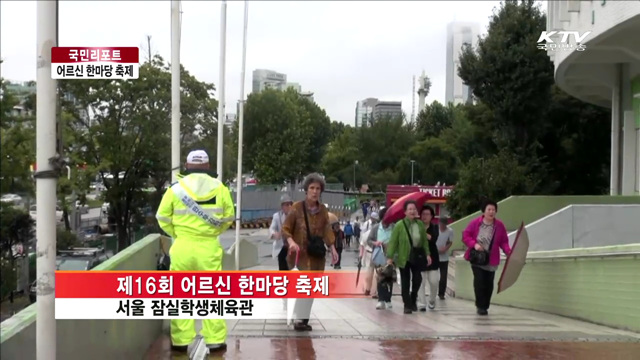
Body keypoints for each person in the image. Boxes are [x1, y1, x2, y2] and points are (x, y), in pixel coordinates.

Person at [156, 150, 235, 353]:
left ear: (187, 166)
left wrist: (178, 233)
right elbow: (228, 218)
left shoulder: (175, 189)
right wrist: (213, 232)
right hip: (208, 248)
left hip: (182, 247)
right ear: (208, 166)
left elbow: (162, 217)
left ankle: (181, 341)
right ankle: (215, 340)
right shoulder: (220, 188)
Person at [282, 172, 339, 331]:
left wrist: (333, 247)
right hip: (298, 256)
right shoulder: (296, 208)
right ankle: (299, 318)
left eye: (318, 188)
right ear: (306, 190)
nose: (315, 191)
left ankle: (303, 318)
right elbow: (286, 228)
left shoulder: (322, 210)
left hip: (315, 256)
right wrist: (291, 241)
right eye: (312, 188)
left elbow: (327, 230)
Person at [462, 200, 512, 316]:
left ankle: (485, 305)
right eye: (489, 209)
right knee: (479, 281)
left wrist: (508, 251)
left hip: (491, 259)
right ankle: (480, 306)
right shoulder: (475, 223)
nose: (491, 212)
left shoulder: (499, 226)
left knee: (489, 283)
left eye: (493, 210)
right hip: (477, 258)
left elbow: (504, 241)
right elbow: (466, 235)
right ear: (484, 211)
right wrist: (474, 244)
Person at [385, 200, 431, 314]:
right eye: (410, 209)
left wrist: (428, 254)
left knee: (417, 279)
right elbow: (393, 242)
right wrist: (390, 257)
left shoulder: (419, 224)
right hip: (404, 257)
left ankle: (413, 298)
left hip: (417, 256)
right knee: (405, 281)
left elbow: (424, 241)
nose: (412, 211)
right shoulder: (399, 225)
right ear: (405, 211)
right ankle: (407, 304)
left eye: (414, 209)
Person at [367, 207, 395, 309]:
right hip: (379, 255)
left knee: (389, 278)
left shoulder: (394, 228)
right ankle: (381, 299)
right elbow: (369, 240)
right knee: (380, 278)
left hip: (390, 256)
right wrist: (376, 243)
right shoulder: (376, 228)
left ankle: (388, 299)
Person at [417, 206, 440, 311]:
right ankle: (422, 303)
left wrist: (422, 232)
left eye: (427, 214)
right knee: (420, 281)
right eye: (423, 214)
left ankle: (432, 300)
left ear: (431, 216)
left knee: (434, 281)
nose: (424, 216)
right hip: (419, 257)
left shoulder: (435, 227)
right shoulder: (416, 226)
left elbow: (433, 238)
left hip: (433, 257)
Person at [270, 194, 294, 271]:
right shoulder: (277, 216)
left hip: (292, 246)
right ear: (282, 206)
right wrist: (274, 234)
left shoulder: (295, 216)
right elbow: (272, 228)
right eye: (287, 205)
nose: (289, 206)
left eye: (290, 204)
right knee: (283, 268)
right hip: (282, 246)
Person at [361, 212, 380, 297]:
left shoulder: (367, 232)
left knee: (370, 271)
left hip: (370, 252)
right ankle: (374, 291)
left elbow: (362, 243)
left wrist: (361, 255)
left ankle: (368, 289)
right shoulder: (379, 229)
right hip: (376, 252)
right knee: (376, 272)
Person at [436, 215, 453, 299]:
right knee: (434, 276)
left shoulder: (450, 231)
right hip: (435, 256)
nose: (442, 226)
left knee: (443, 276)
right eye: (441, 224)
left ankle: (441, 293)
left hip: (444, 257)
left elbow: (450, 242)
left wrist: (445, 249)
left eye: (444, 224)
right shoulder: (435, 230)